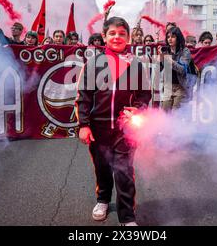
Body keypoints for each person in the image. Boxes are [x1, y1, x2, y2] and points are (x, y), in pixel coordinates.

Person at [75, 16, 151, 226]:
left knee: (124, 172)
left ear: (128, 38)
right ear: (104, 36)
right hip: (98, 128)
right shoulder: (93, 63)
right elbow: (83, 96)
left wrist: (138, 110)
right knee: (102, 168)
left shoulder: (136, 65)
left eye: (122, 33)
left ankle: (127, 217)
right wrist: (84, 125)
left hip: (125, 129)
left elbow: (145, 95)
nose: (117, 37)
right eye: (112, 33)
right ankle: (103, 200)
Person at [158, 26, 196, 112]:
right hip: (168, 87)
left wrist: (170, 60)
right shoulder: (167, 51)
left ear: (178, 38)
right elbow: (164, 68)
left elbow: (182, 69)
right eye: (168, 37)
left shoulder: (185, 51)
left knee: (176, 116)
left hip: (181, 87)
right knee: (164, 115)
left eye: (173, 36)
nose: (170, 39)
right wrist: (161, 57)